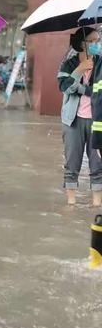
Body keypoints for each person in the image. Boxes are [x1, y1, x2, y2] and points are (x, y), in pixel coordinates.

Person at [59, 27, 102, 206]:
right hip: (73, 120)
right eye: (91, 41)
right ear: (81, 44)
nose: (96, 45)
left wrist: (82, 89)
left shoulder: (101, 63)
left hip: (97, 121)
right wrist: (79, 70)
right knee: (72, 161)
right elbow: (64, 87)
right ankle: (71, 202)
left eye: (97, 41)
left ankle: (97, 203)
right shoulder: (68, 64)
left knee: (98, 163)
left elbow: (97, 92)